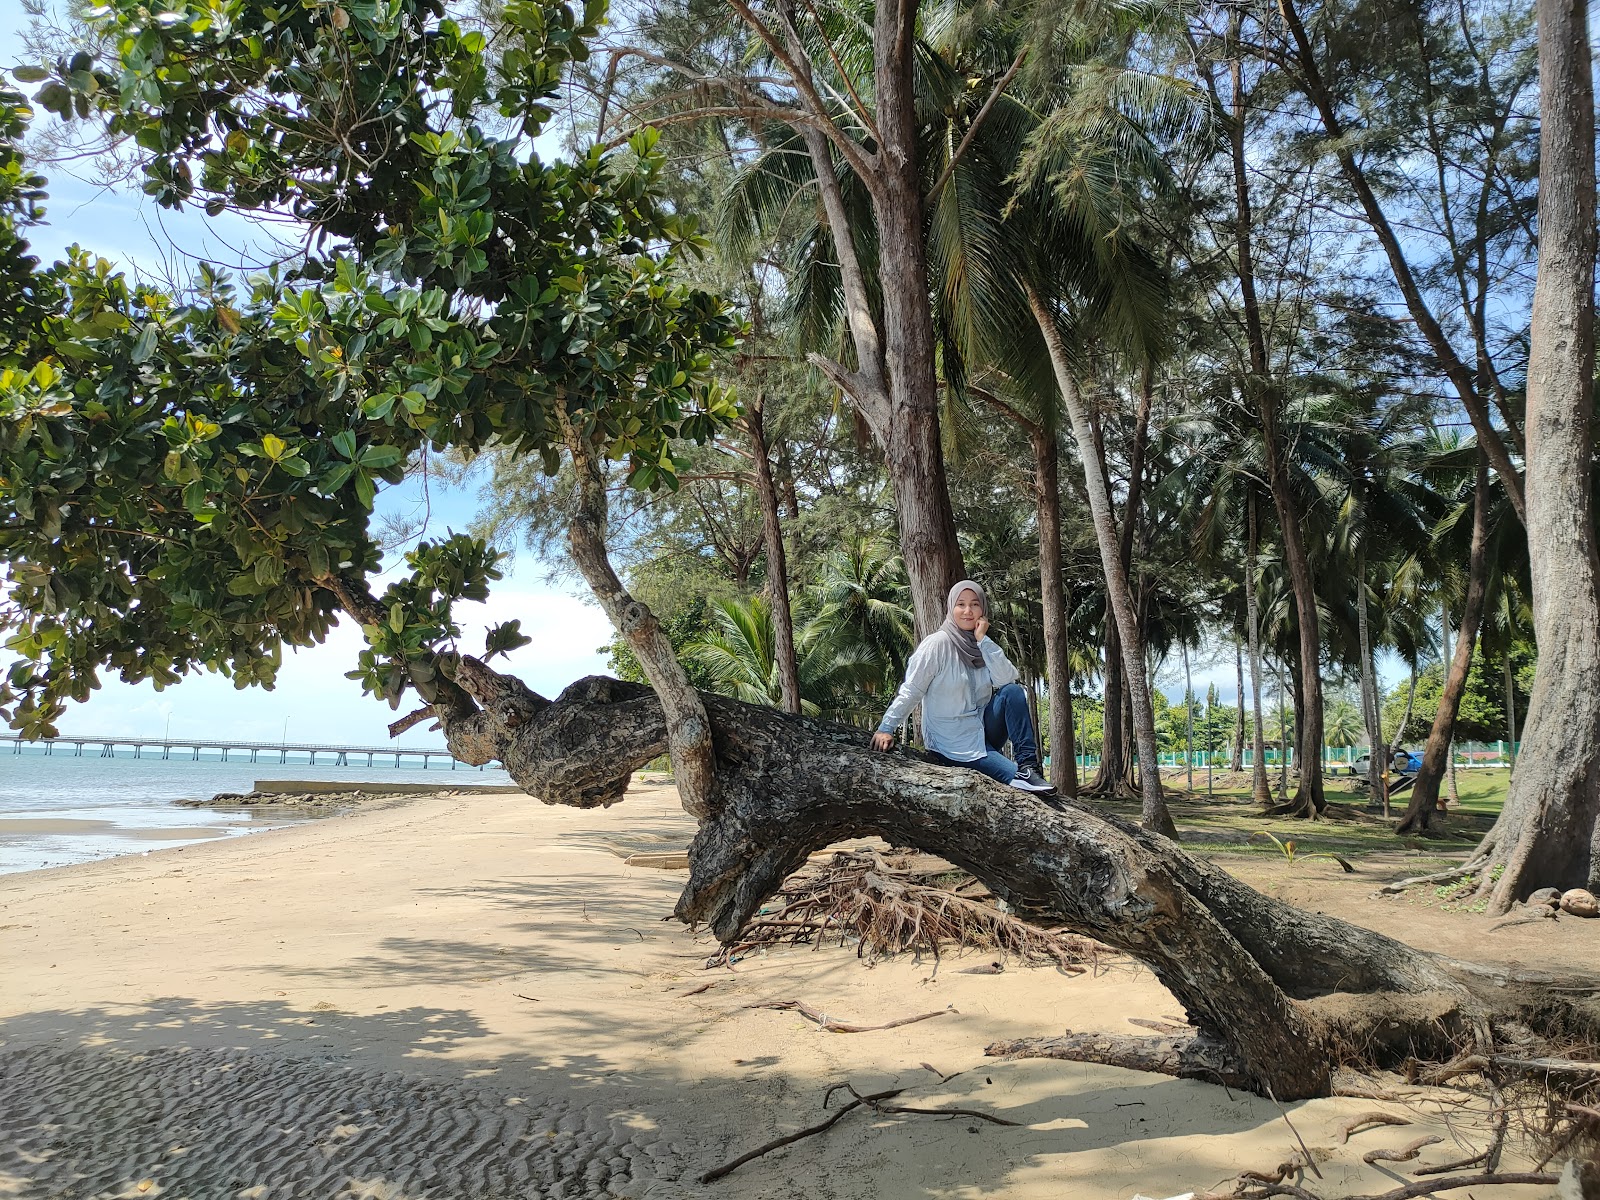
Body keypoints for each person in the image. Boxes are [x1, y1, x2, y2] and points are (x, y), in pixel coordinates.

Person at [870, 580, 1056, 796]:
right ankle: (1019, 775)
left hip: (982, 732)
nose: (968, 611)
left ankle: (1029, 767)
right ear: (951, 608)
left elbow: (1006, 679)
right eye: (961, 604)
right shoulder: (936, 644)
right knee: (1014, 780)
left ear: (983, 610)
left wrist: (983, 641)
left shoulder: (981, 646)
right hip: (952, 743)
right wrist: (886, 727)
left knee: (1012, 692)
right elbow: (912, 690)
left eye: (975, 604)